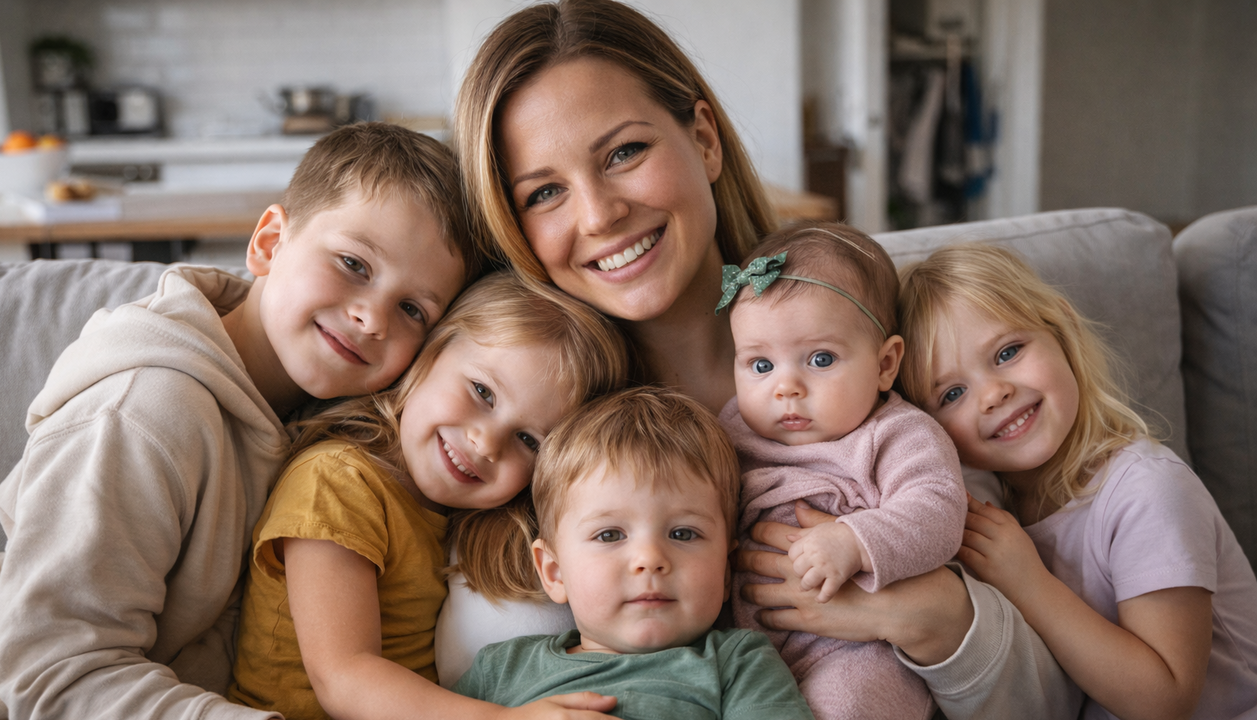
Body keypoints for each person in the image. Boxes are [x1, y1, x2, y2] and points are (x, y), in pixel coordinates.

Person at [452, 2, 1078, 718]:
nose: (597, 215)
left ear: (704, 139)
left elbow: (1055, 700)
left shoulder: (874, 342)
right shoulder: (518, 423)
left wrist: (930, 615)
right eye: (545, 192)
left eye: (624, 152)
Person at [0, 122, 479, 719]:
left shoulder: (335, 416)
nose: (373, 319)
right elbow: (54, 677)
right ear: (268, 243)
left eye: (412, 309)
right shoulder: (143, 414)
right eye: (353, 263)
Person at [228, 272, 631, 720]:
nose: (485, 443)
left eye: (528, 440)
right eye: (482, 392)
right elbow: (341, 677)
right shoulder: (336, 482)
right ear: (428, 355)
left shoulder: (468, 516)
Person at [896, 243, 1257, 720]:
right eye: (953, 393)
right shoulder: (993, 508)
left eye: (1007, 352)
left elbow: (1166, 703)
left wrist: (1029, 584)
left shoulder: (1147, 491)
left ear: (1061, 329)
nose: (994, 393)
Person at [717, 222, 965, 719]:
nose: (786, 387)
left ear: (885, 364)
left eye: (820, 358)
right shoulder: (729, 432)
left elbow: (938, 509)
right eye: (760, 365)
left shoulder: (893, 434)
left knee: (847, 706)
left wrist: (853, 540)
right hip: (749, 655)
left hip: (859, 651)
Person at [453, 387, 814, 720]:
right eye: (610, 534)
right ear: (554, 572)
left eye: (683, 533)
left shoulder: (738, 662)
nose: (649, 558)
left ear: (725, 572)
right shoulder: (500, 669)